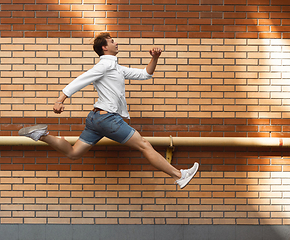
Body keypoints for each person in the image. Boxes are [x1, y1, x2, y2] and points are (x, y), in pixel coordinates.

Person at [18, 32, 199, 189]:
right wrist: (61, 99)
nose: (116, 42)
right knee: (144, 145)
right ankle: (179, 175)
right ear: (105, 47)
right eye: (112, 41)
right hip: (108, 119)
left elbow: (145, 74)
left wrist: (155, 58)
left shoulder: (116, 68)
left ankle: (42, 135)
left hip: (95, 119)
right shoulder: (106, 65)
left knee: (73, 153)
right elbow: (83, 78)